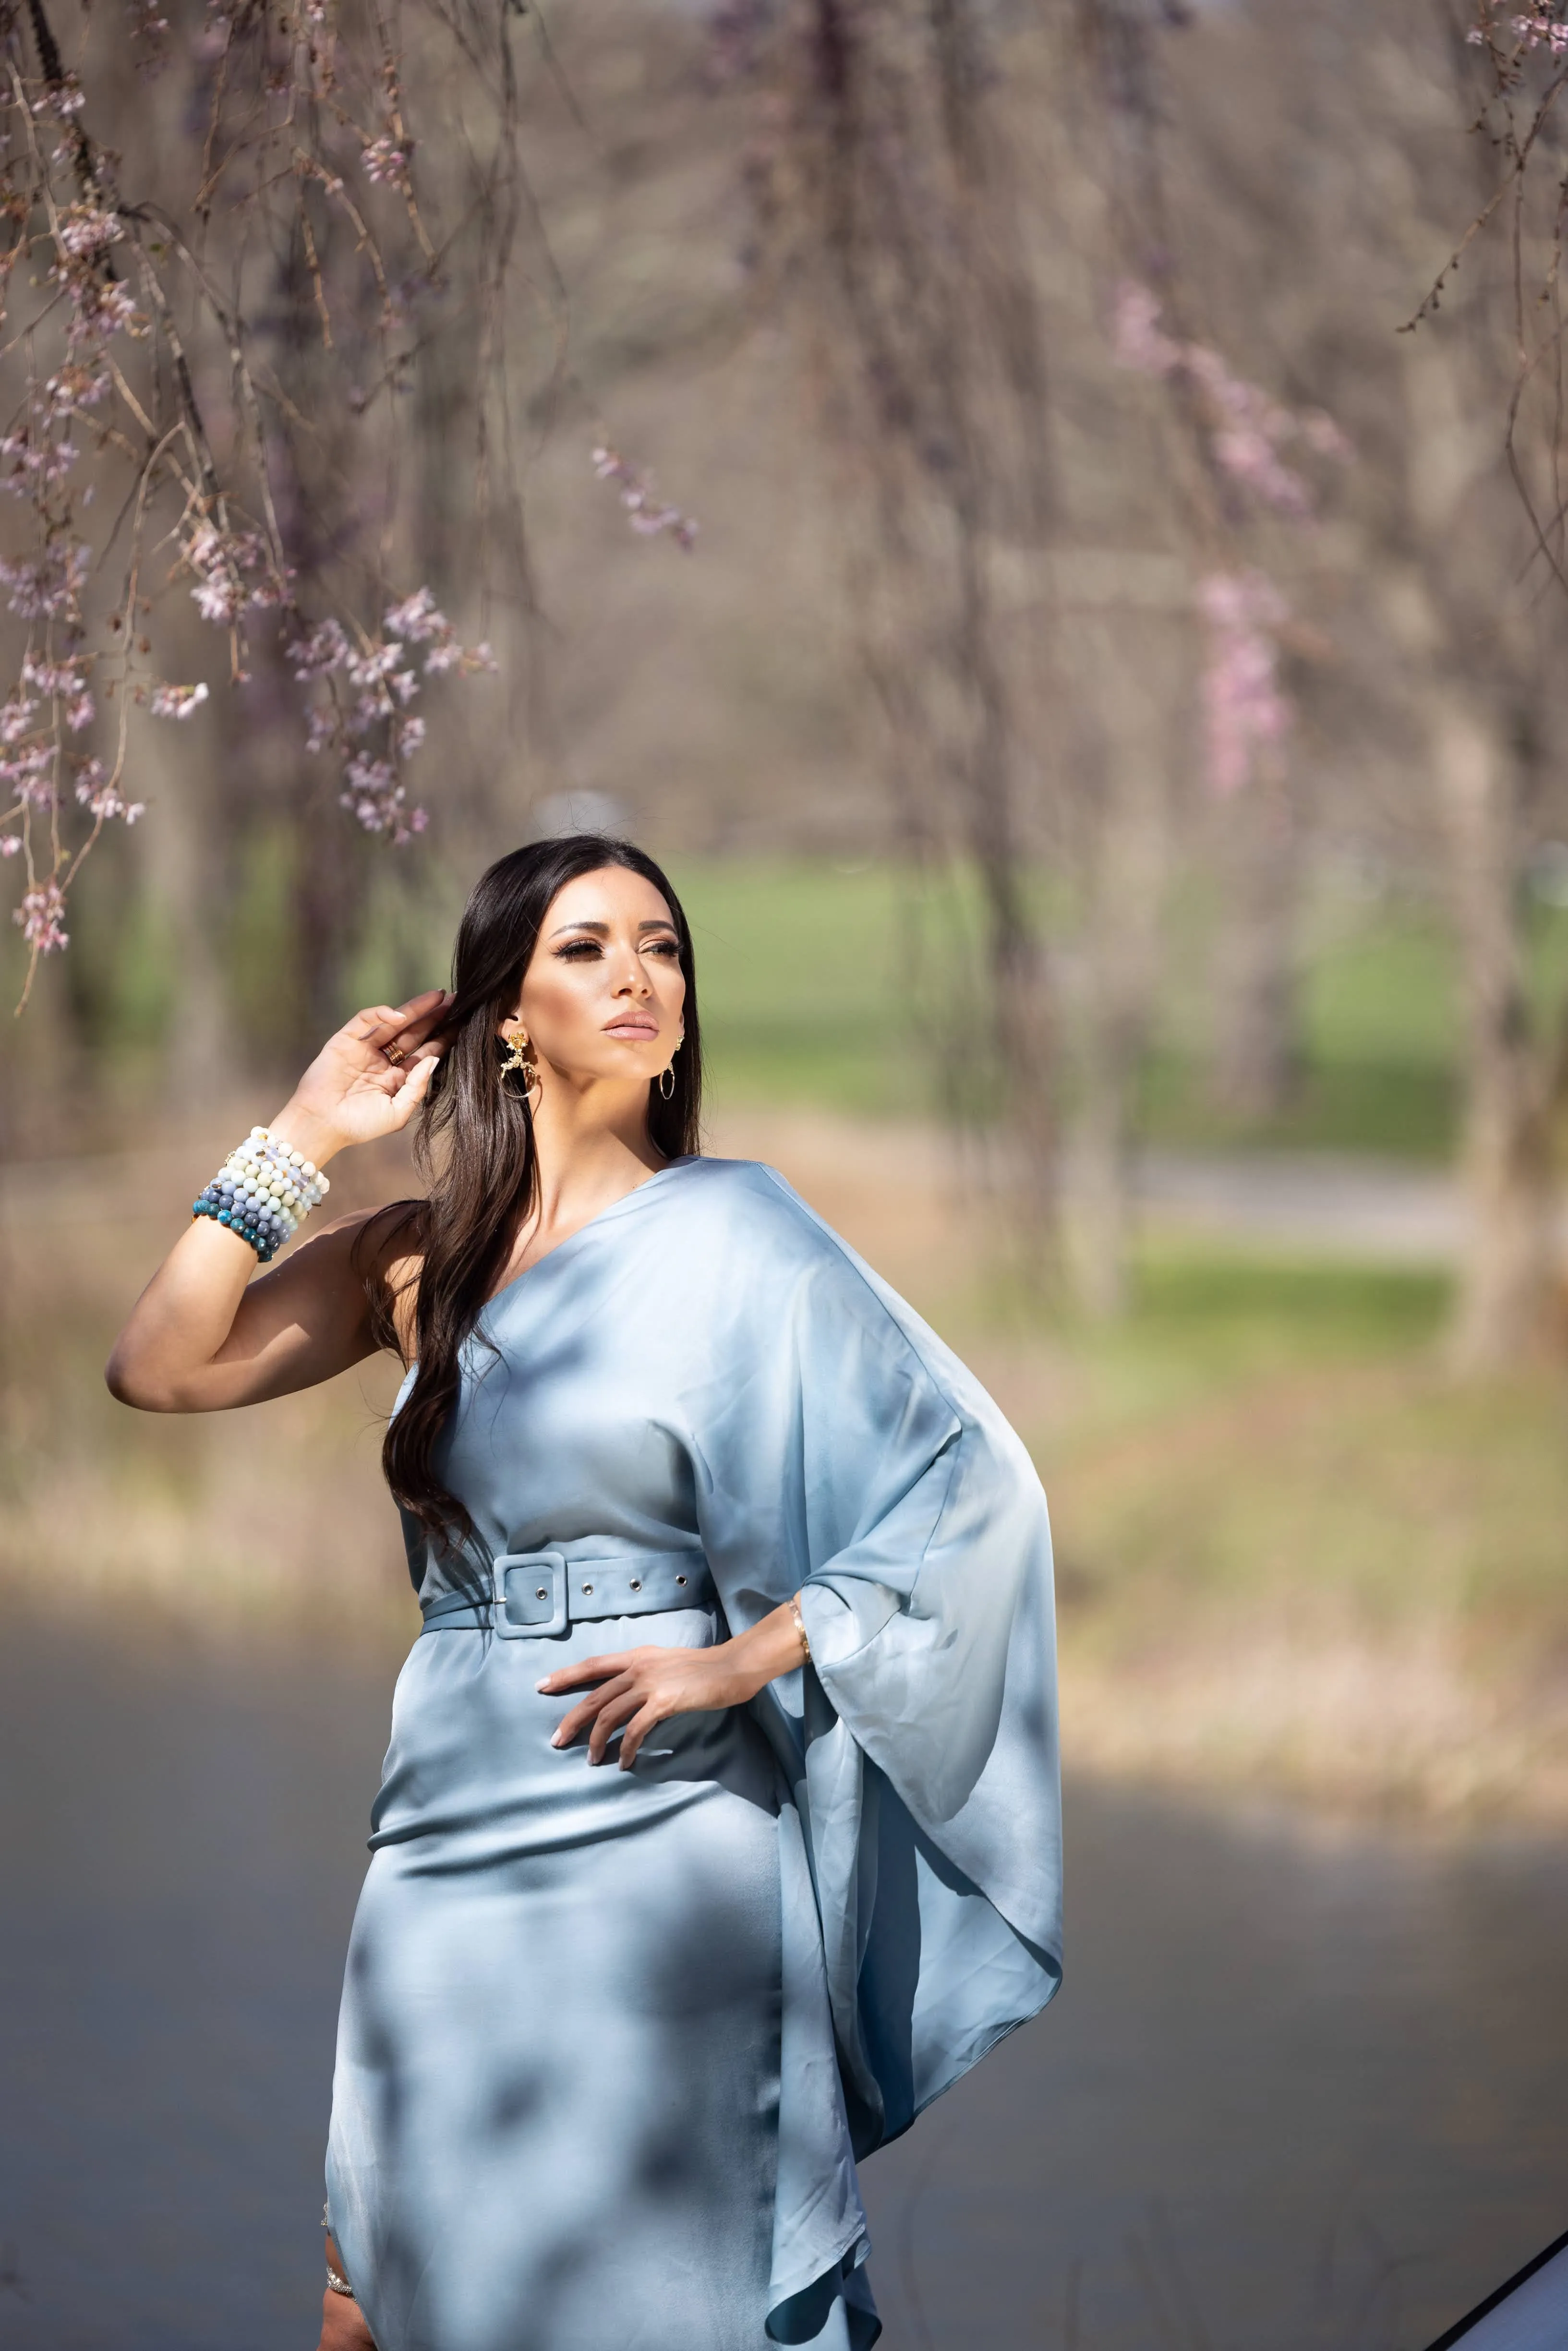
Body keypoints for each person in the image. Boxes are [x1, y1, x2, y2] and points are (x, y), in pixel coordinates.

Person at [106, 834, 1062, 2351]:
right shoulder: (423, 1265)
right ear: (504, 1012)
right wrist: (303, 1133)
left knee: (658, 2274)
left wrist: (745, 1658)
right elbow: (156, 1364)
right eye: (587, 946)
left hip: (667, 1822)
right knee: (398, 2261)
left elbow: (966, 1498)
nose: (638, 974)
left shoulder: (749, 1234)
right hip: (447, 1818)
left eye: (665, 946)